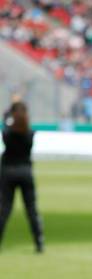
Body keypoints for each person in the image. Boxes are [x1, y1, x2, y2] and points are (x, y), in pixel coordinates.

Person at [0, 101, 44, 253]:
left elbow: (5, 126)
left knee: (4, 209)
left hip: (7, 172)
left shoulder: (7, 134)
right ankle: (39, 242)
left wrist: (7, 115)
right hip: (25, 172)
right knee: (32, 210)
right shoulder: (30, 134)